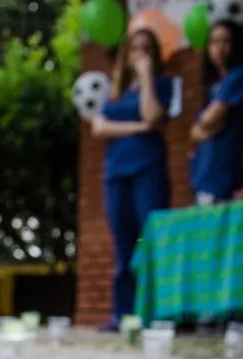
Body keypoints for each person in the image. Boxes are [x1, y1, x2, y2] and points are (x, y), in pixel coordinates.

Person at [91, 29, 172, 332]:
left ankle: (156, 311)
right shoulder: (115, 92)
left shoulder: (161, 85)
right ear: (126, 55)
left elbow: (152, 116)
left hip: (148, 169)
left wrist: (147, 77)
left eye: (147, 48)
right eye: (135, 48)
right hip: (116, 174)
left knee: (150, 240)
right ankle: (123, 314)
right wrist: (138, 128)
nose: (140, 54)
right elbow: (99, 128)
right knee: (123, 244)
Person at [190, 21, 243, 205]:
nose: (219, 48)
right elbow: (194, 132)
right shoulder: (212, 86)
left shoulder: (240, 75)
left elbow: (209, 118)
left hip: (227, 171)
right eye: (214, 42)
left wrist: (206, 125)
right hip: (205, 171)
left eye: (226, 41)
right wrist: (207, 126)